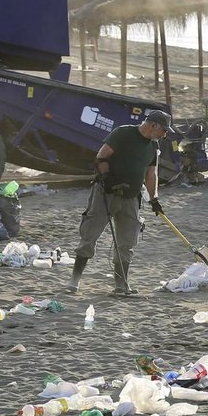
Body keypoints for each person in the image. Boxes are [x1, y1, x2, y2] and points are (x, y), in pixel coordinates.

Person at [69, 110, 170, 296]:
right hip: (106, 194)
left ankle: (121, 285)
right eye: (164, 130)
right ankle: (74, 281)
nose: (165, 134)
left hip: (131, 198)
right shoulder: (124, 133)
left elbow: (151, 174)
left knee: (126, 243)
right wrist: (107, 179)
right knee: (90, 235)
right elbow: (101, 156)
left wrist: (154, 198)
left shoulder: (153, 147)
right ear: (154, 125)